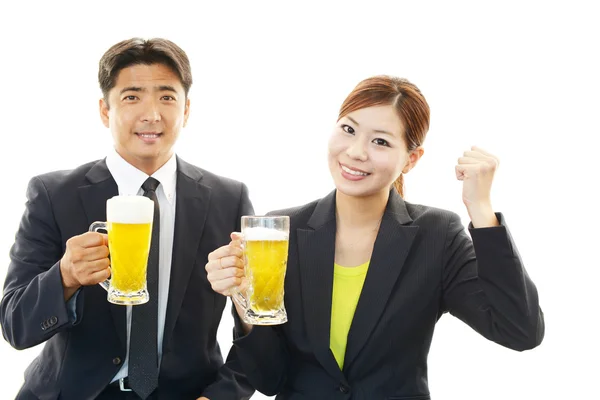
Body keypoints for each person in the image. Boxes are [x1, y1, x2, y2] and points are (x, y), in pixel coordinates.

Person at [205, 76, 545, 399]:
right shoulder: (279, 234)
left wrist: (481, 210)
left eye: (380, 141)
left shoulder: (436, 235)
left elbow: (519, 331)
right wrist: (243, 298)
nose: (356, 151)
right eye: (348, 129)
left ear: (411, 159)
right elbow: (268, 379)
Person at [0, 38, 254, 400]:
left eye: (167, 97)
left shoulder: (229, 198)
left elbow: (258, 331)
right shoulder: (54, 195)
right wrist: (65, 276)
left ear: (186, 110)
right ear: (105, 111)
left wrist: (221, 396)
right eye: (132, 97)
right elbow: (15, 326)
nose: (151, 114)